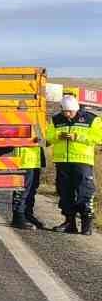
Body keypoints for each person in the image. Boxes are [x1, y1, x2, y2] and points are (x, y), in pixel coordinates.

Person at [50, 93, 100, 235]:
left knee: (85, 192)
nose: (67, 114)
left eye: (70, 112)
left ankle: (86, 224)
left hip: (82, 161)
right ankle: (69, 223)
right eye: (64, 111)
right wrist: (58, 136)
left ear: (76, 109)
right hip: (62, 161)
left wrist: (77, 137)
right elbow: (48, 136)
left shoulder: (91, 119)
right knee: (64, 192)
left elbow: (99, 138)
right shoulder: (56, 119)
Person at [10, 115, 48, 230]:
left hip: (35, 161)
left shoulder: (38, 119)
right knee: (22, 190)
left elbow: (46, 137)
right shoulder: (15, 119)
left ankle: (28, 215)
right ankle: (18, 217)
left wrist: (44, 140)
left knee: (32, 190)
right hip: (23, 160)